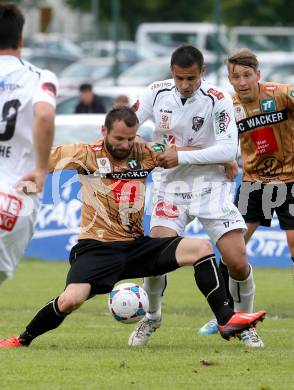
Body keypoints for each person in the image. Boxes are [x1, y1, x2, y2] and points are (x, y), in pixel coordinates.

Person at [0, 107, 266, 348]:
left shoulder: (143, 152)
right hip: (97, 249)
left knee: (201, 248)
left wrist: (224, 160)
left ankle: (225, 319)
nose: (125, 145)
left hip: (137, 247)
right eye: (119, 139)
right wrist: (25, 181)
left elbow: (179, 152)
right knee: (71, 300)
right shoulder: (84, 153)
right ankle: (22, 339)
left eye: (130, 138)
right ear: (104, 131)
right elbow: (42, 160)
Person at [129, 44, 263, 348]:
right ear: (172, 74)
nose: (185, 85)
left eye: (191, 78)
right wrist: (134, 135)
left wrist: (181, 156)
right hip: (169, 187)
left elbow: (229, 150)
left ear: (202, 72)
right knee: (155, 258)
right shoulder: (156, 92)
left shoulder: (218, 100)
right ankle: (151, 316)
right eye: (179, 79)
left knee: (237, 260)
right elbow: (129, 120)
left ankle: (244, 323)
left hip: (210, 186)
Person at [199, 48, 294, 338]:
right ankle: (224, 315)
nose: (241, 82)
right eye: (235, 77)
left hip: (290, 182)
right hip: (254, 185)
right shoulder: (228, 106)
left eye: (246, 75)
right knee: (231, 252)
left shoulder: (282, 94)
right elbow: (217, 141)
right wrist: (226, 159)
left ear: (258, 75)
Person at [0, 3, 57, 286]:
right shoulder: (39, 76)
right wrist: (41, 169)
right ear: (21, 39)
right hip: (14, 197)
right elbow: (44, 116)